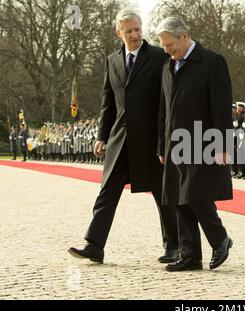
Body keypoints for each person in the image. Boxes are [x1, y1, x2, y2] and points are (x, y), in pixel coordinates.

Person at [68, 9, 178, 264]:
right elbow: (108, 103)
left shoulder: (160, 57)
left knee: (162, 196)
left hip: (150, 141)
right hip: (119, 140)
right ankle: (94, 245)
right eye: (128, 31)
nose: (135, 34)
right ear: (119, 33)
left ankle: (173, 246)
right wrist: (101, 136)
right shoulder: (112, 61)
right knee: (107, 192)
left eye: (137, 29)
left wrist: (165, 140)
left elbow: (166, 100)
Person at [156, 17, 233, 272]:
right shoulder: (168, 67)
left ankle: (219, 238)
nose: (167, 50)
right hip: (174, 144)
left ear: (185, 36)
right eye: (164, 46)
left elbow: (221, 106)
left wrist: (222, 143)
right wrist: (161, 145)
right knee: (179, 198)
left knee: (197, 196)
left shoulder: (212, 62)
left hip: (202, 140)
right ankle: (190, 255)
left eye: (170, 44)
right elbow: (163, 111)